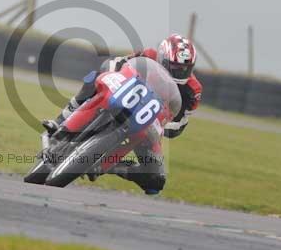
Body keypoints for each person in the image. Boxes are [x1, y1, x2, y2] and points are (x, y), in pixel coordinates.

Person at [42, 34, 202, 194]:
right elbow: (117, 63)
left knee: (155, 181)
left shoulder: (193, 90)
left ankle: (111, 166)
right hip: (122, 97)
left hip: (148, 124)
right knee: (94, 79)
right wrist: (112, 75)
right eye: (174, 66)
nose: (179, 72)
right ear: (162, 57)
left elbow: (180, 125)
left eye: (184, 69)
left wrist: (161, 127)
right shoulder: (149, 55)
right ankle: (61, 120)